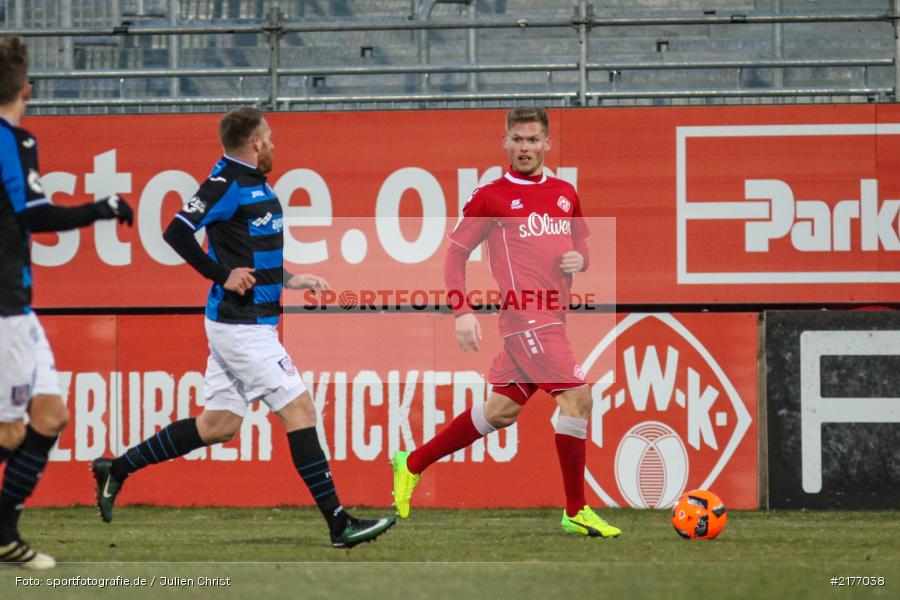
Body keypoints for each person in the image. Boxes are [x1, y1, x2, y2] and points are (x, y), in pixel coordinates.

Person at [91, 107, 395, 548]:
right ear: (255, 142)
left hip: (245, 325)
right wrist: (221, 275)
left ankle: (115, 469)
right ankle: (339, 524)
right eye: (269, 137)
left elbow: (250, 247)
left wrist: (292, 278)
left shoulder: (249, 182)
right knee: (300, 410)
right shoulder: (226, 183)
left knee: (218, 425)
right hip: (243, 326)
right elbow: (175, 232)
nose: (274, 144)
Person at [390, 107, 621, 538]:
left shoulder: (564, 193)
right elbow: (455, 254)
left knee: (501, 412)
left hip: (553, 315)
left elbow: (583, 246)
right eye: (517, 139)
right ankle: (575, 509)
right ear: (505, 143)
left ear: (547, 144)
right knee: (578, 399)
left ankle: (412, 463)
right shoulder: (491, 196)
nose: (525, 148)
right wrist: (462, 311)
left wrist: (580, 259)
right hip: (525, 317)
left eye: (533, 140)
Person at [0, 36, 134, 569]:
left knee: (51, 415)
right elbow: (33, 213)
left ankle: (4, 534)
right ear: (27, 90)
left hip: (19, 305)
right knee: (12, 429)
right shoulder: (14, 140)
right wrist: (100, 208)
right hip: (5, 303)